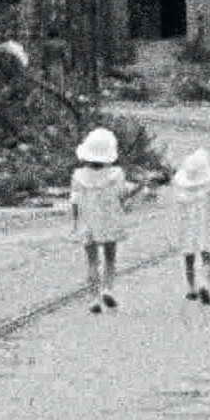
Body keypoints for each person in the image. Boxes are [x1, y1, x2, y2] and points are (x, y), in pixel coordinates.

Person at [70, 127, 128, 312]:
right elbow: (122, 195)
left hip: (87, 221)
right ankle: (107, 289)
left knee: (92, 261)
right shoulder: (116, 174)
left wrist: (75, 223)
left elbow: (75, 201)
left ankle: (94, 299)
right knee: (110, 257)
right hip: (109, 219)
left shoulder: (78, 175)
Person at [168, 144, 210, 303]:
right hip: (205, 224)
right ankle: (205, 283)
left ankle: (191, 288)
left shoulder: (181, 192)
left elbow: (177, 208)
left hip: (187, 227)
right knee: (207, 255)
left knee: (189, 257)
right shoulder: (209, 190)